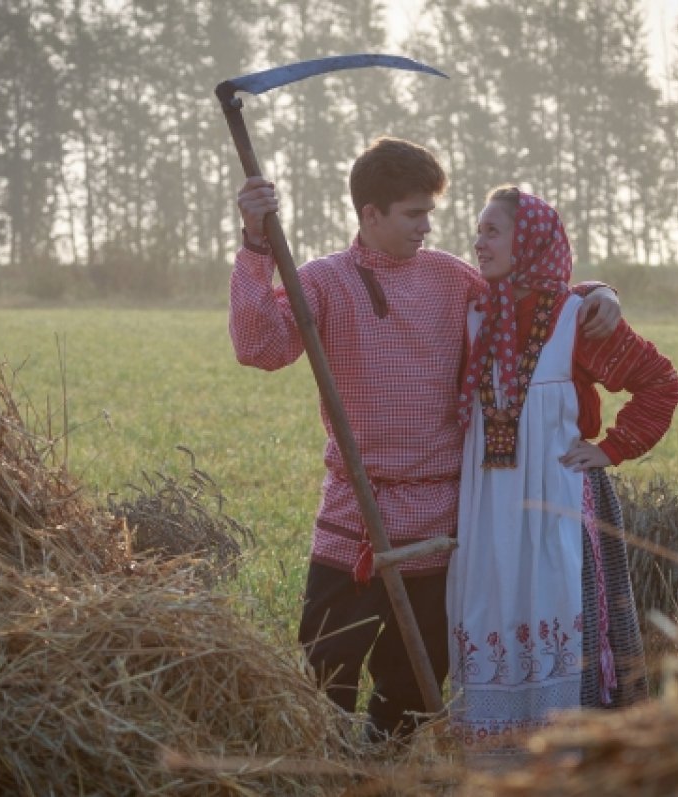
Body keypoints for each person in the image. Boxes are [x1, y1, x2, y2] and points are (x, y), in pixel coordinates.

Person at [229, 138, 621, 742]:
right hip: (356, 512)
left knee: (416, 678)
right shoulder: (324, 281)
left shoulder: (449, 276)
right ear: (370, 214)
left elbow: (532, 292)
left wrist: (599, 292)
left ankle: (386, 762)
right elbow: (259, 347)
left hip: (440, 517)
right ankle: (328, 763)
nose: (427, 227)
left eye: (429, 213)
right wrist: (256, 244)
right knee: (325, 661)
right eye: (414, 214)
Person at [446, 185, 678, 752]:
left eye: (492, 231)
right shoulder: (476, 313)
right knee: (492, 614)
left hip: (555, 503)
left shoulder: (579, 318)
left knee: (561, 612)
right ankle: (497, 765)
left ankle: (569, 759)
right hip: (486, 508)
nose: (479, 242)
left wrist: (611, 447)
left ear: (527, 240)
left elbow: (659, 384)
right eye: (477, 231)